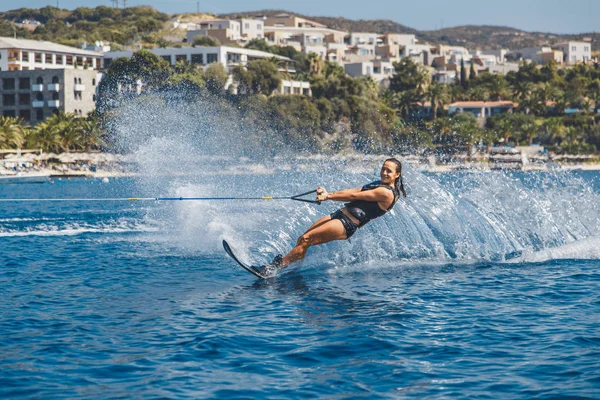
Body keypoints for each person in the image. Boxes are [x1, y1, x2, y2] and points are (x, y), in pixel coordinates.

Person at [254, 158, 407, 277]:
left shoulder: (386, 193)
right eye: (383, 169)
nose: (384, 173)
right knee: (302, 239)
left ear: (397, 174)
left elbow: (355, 196)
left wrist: (327, 197)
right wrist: (328, 193)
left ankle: (273, 269)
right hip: (339, 215)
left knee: (307, 239)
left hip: (346, 224)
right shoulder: (378, 184)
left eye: (389, 171)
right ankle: (292, 271)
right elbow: (354, 190)